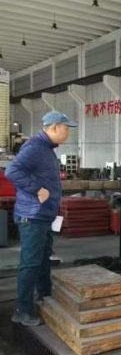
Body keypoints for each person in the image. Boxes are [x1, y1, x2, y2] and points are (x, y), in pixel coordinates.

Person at [5, 111, 77, 326]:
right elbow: (12, 171)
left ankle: (44, 297)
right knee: (31, 263)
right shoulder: (35, 147)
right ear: (54, 127)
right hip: (32, 216)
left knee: (43, 258)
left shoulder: (46, 149)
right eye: (66, 128)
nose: (68, 133)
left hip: (43, 216)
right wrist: (37, 189)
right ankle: (22, 310)